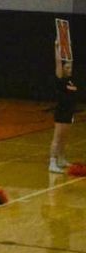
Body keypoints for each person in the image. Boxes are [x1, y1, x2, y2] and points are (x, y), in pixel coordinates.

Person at [49, 40, 78, 173]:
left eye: (70, 68)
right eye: (67, 68)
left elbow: (70, 60)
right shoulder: (61, 79)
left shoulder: (71, 81)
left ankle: (61, 159)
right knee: (57, 137)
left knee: (64, 138)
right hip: (61, 112)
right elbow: (58, 62)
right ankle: (52, 162)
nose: (69, 70)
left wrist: (68, 46)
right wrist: (57, 47)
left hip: (69, 113)